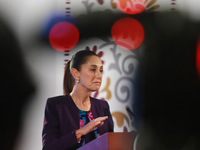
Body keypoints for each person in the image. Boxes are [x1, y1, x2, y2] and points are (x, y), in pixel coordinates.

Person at [42, 50, 114, 150]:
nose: (99, 75)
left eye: (100, 70)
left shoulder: (103, 106)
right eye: (93, 69)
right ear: (76, 74)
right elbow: (48, 148)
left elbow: (111, 144)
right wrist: (81, 131)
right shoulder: (55, 105)